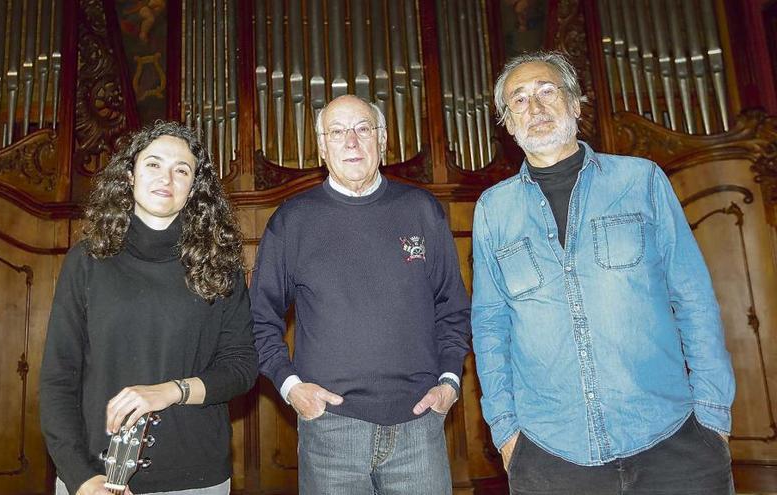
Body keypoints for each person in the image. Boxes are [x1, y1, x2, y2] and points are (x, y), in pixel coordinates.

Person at [471, 51, 736, 494]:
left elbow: (693, 299)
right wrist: (505, 431)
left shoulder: (641, 181)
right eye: (518, 100)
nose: (533, 108)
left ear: (576, 104)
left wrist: (712, 415)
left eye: (547, 91)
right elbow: (490, 326)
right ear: (507, 122)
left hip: (673, 441)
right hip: (550, 455)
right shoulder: (492, 211)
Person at [251, 94, 471, 495]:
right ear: (321, 147)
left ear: (382, 140)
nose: (351, 142)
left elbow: (453, 308)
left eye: (362, 129)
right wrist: (290, 386)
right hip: (330, 430)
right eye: (337, 132)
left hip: (419, 426)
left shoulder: (422, 209)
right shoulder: (293, 220)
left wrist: (450, 381)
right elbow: (259, 318)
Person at [39, 121, 257, 495]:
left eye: (182, 170)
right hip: (96, 476)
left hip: (196, 478)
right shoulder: (87, 260)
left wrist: (171, 390)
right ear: (130, 175)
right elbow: (59, 378)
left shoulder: (221, 264)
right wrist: (79, 477)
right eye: (153, 164)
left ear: (193, 190)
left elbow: (241, 367)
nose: (166, 178)